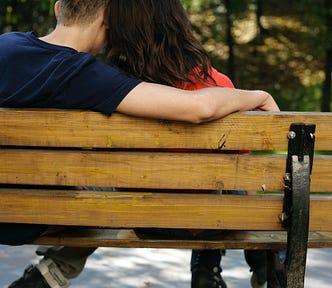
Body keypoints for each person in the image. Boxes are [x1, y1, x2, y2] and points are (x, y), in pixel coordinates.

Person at [1, 0, 279, 287]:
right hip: (34, 216)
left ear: (58, 9)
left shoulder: (6, 46)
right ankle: (233, 265)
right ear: (108, 19)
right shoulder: (87, 75)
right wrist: (258, 96)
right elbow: (200, 108)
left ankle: (51, 272)